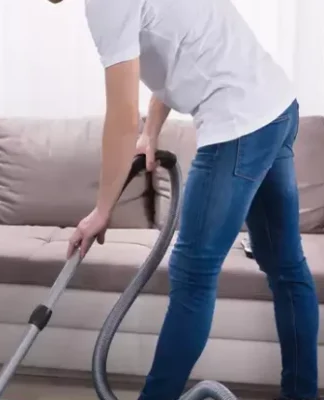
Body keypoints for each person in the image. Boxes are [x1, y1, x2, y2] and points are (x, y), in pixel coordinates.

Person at [63, 0, 320, 399]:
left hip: (238, 125)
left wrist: (102, 209)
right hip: (277, 109)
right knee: (286, 266)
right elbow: (182, 52)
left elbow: (122, 114)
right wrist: (151, 132)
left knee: (193, 274)